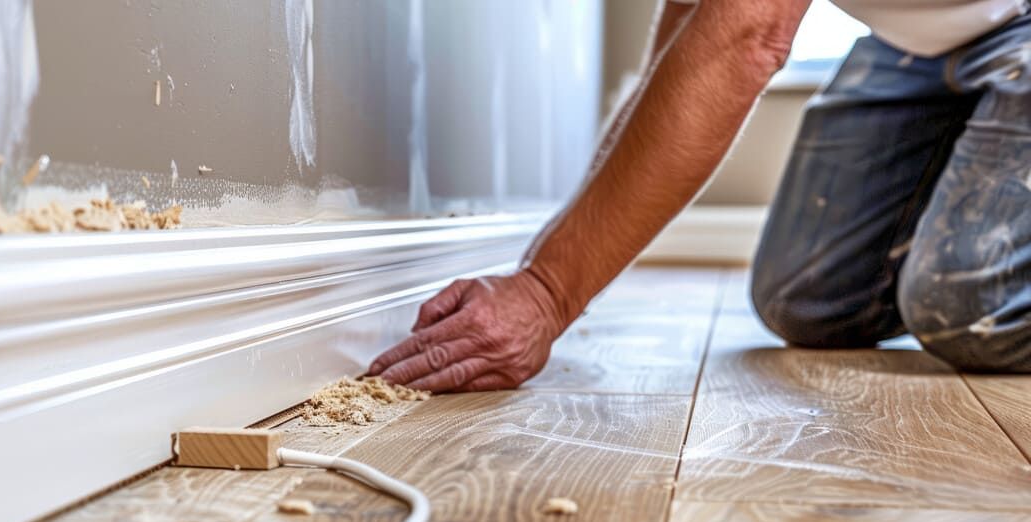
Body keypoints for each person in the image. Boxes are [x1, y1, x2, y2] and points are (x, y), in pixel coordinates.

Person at [369, 0, 1031, 392]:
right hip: (920, 41)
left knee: (966, 307)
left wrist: (548, 290)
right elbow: (688, 36)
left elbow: (747, 36)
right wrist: (561, 265)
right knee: (807, 301)